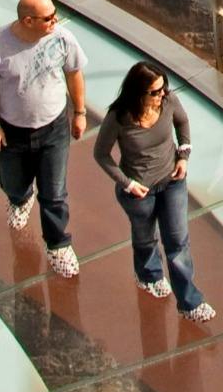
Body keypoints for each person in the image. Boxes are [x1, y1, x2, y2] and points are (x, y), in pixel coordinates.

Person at [0, 0, 89, 277]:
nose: (55, 21)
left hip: (54, 128)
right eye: (48, 18)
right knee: (12, 182)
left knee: (55, 192)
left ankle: (58, 244)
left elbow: (74, 72)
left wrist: (80, 112)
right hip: (13, 131)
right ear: (28, 21)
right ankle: (20, 199)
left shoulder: (62, 38)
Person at [92, 61, 215, 322]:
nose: (162, 96)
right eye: (155, 92)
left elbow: (182, 123)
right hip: (139, 192)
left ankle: (189, 303)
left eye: (163, 89)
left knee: (177, 242)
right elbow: (101, 154)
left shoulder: (169, 102)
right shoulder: (119, 117)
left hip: (172, 183)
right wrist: (127, 183)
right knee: (146, 237)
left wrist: (183, 156)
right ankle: (149, 275)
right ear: (138, 93)